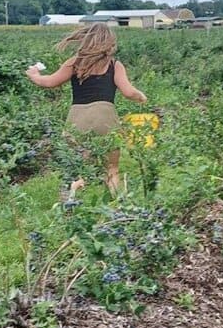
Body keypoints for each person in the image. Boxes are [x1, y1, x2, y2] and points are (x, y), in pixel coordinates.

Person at [25, 23, 147, 198]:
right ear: (110, 42)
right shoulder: (114, 65)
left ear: (87, 38)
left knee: (77, 166)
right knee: (112, 168)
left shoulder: (74, 63)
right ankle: (116, 205)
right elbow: (129, 92)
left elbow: (49, 82)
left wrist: (34, 74)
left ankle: (70, 199)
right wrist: (141, 96)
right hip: (105, 119)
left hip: (77, 119)